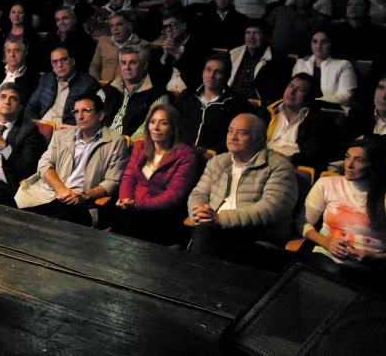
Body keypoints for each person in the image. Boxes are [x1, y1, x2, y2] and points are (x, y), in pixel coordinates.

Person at [302, 138, 386, 293]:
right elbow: (302, 222)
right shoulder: (327, 184)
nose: (349, 165)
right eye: (347, 156)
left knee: (344, 281)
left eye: (359, 160)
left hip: (365, 267)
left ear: (373, 165)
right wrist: (325, 241)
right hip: (325, 258)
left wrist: (376, 257)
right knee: (327, 274)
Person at [188, 113, 298, 267]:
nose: (233, 137)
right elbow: (199, 194)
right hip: (213, 229)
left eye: (241, 133)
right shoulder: (218, 162)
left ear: (258, 138)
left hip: (255, 236)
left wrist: (220, 219)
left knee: (205, 236)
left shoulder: (278, 166)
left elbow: (272, 208)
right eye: (230, 131)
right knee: (204, 232)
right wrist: (199, 211)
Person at [16, 94, 129, 226]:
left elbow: (112, 181)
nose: (80, 116)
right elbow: (44, 164)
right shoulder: (61, 136)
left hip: (81, 202)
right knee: (16, 212)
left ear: (100, 115)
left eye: (86, 110)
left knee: (44, 221)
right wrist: (61, 190)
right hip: (50, 192)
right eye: (76, 111)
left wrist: (85, 196)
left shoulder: (115, 142)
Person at [113, 104, 202, 245]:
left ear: (173, 129)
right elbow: (128, 176)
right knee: (123, 217)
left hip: (162, 215)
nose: (156, 127)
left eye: (163, 123)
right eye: (152, 122)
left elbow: (173, 196)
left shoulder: (186, 156)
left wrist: (137, 205)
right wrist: (125, 199)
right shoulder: (140, 146)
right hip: (132, 209)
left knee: (128, 223)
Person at [175, 53, 252, 154]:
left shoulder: (237, 103)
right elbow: (172, 123)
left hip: (214, 156)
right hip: (180, 151)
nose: (211, 75)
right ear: (203, 72)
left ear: (227, 76)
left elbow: (238, 136)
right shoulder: (188, 96)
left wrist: (213, 151)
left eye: (218, 72)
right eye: (208, 70)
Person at [266, 74, 333, 172]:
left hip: (293, 166)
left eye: (300, 90)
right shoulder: (266, 112)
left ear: (309, 97)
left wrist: (286, 160)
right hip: (263, 161)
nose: (292, 92)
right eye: (291, 86)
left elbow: (312, 153)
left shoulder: (318, 121)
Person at [102, 45, 169, 140]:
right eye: (123, 63)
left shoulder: (158, 94)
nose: (127, 67)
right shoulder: (109, 88)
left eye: (133, 63)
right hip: (101, 141)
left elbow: (147, 130)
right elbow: (94, 115)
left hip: (130, 147)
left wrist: (126, 143)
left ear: (144, 65)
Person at [24, 47, 98, 128]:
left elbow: (90, 115)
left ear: (73, 61)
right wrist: (34, 124)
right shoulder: (46, 79)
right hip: (41, 126)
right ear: (52, 65)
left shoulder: (88, 83)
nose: (60, 65)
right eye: (55, 62)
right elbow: (31, 106)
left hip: (66, 130)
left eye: (64, 60)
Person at [229, 20, 296, 106]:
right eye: (248, 32)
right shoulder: (234, 54)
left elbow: (276, 94)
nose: (251, 37)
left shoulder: (278, 60)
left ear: (266, 36)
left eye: (256, 33)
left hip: (258, 107)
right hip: (231, 102)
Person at [292, 30, 357, 107]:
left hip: (333, 111)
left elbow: (346, 97)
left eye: (324, 42)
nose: (318, 46)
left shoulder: (344, 65)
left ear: (331, 44)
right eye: (315, 41)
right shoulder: (300, 64)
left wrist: (315, 101)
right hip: (302, 109)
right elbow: (293, 90)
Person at [0, 37, 40, 113]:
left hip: (11, 116)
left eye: (17, 51)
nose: (12, 55)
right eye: (8, 51)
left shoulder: (32, 75)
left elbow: (27, 103)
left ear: (25, 53)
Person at [89, 12, 147, 83]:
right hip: (103, 86)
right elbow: (94, 66)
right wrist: (96, 84)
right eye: (112, 26)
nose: (115, 29)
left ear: (129, 26)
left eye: (119, 24)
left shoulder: (141, 45)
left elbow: (141, 73)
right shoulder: (103, 42)